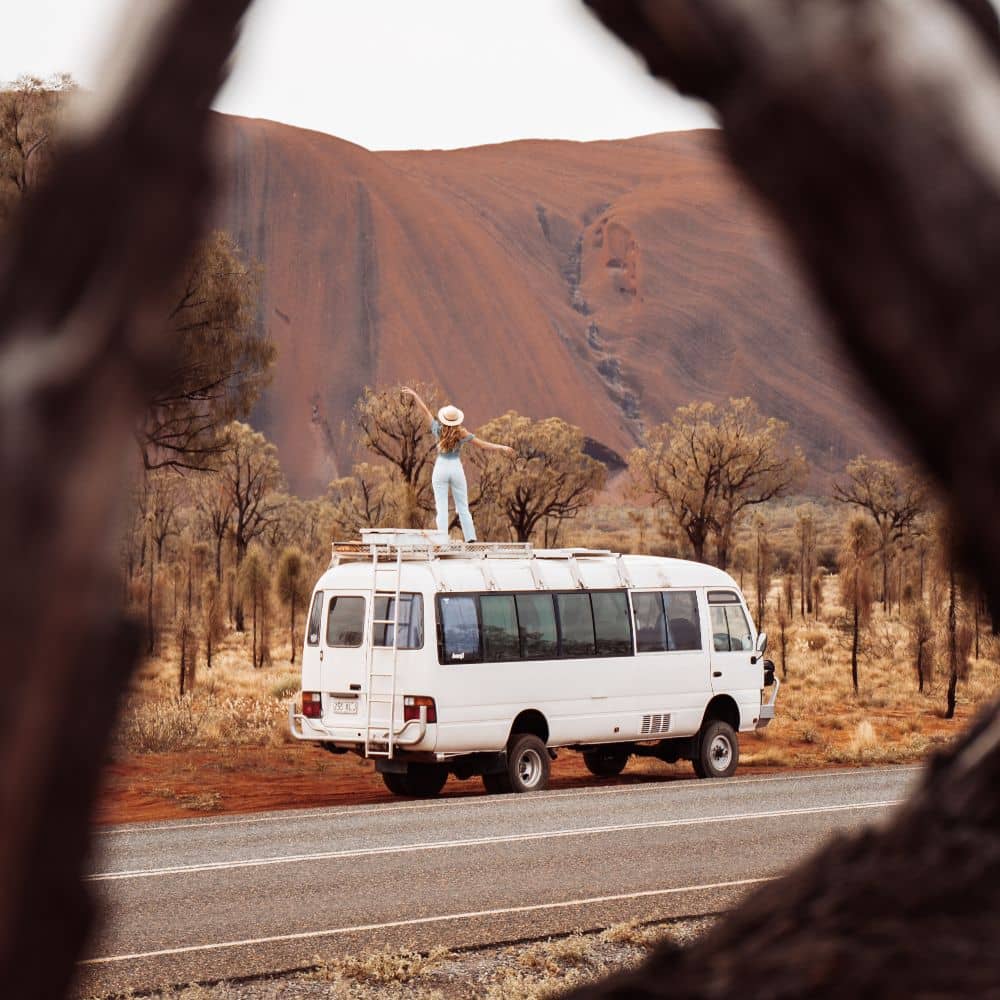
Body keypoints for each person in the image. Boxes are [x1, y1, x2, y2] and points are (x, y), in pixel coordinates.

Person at [401, 386, 514, 543]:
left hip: (440, 468)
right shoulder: (462, 434)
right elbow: (482, 445)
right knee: (462, 507)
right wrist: (501, 447)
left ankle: (442, 539)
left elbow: (425, 411)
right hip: (456, 468)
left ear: (444, 419)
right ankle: (470, 539)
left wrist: (415, 395)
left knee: (441, 508)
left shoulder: (438, 430)